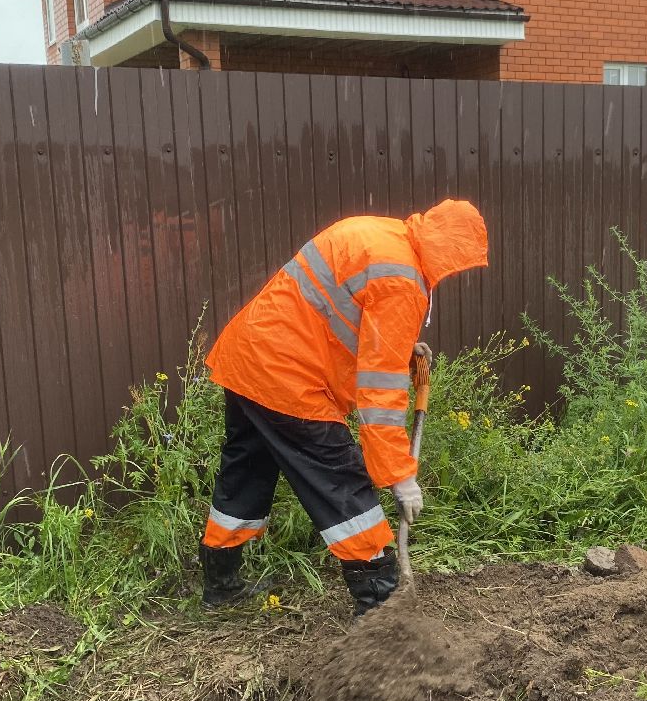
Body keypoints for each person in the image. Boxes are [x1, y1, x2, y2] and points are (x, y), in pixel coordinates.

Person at [197, 198, 488, 617]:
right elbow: (380, 392)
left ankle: (220, 584)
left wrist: (400, 344)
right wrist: (399, 476)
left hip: (249, 357)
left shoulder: (378, 233)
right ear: (449, 256)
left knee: (246, 471)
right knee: (339, 478)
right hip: (289, 378)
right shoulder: (403, 282)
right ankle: (380, 603)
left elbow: (339, 314)